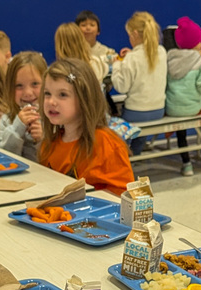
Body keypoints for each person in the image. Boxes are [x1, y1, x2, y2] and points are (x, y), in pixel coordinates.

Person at [40, 58, 134, 195]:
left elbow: (125, 197)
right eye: (47, 93)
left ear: (85, 98)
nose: (51, 101)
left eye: (62, 95)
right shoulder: (49, 144)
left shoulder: (107, 144)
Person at [112, 11, 168, 155]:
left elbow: (121, 87)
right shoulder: (162, 52)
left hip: (136, 113)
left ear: (135, 34)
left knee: (114, 116)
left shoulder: (132, 58)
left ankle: (126, 156)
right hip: (158, 111)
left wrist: (118, 64)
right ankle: (136, 151)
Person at [165, 16, 201, 176]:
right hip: (193, 108)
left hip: (172, 108)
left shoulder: (169, 59)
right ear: (197, 43)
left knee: (181, 132)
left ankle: (187, 164)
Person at [0, 52, 47, 162]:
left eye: (34, 84)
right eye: (19, 86)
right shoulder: (6, 120)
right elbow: (2, 158)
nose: (28, 93)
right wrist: (17, 129)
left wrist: (42, 140)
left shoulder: (55, 120)